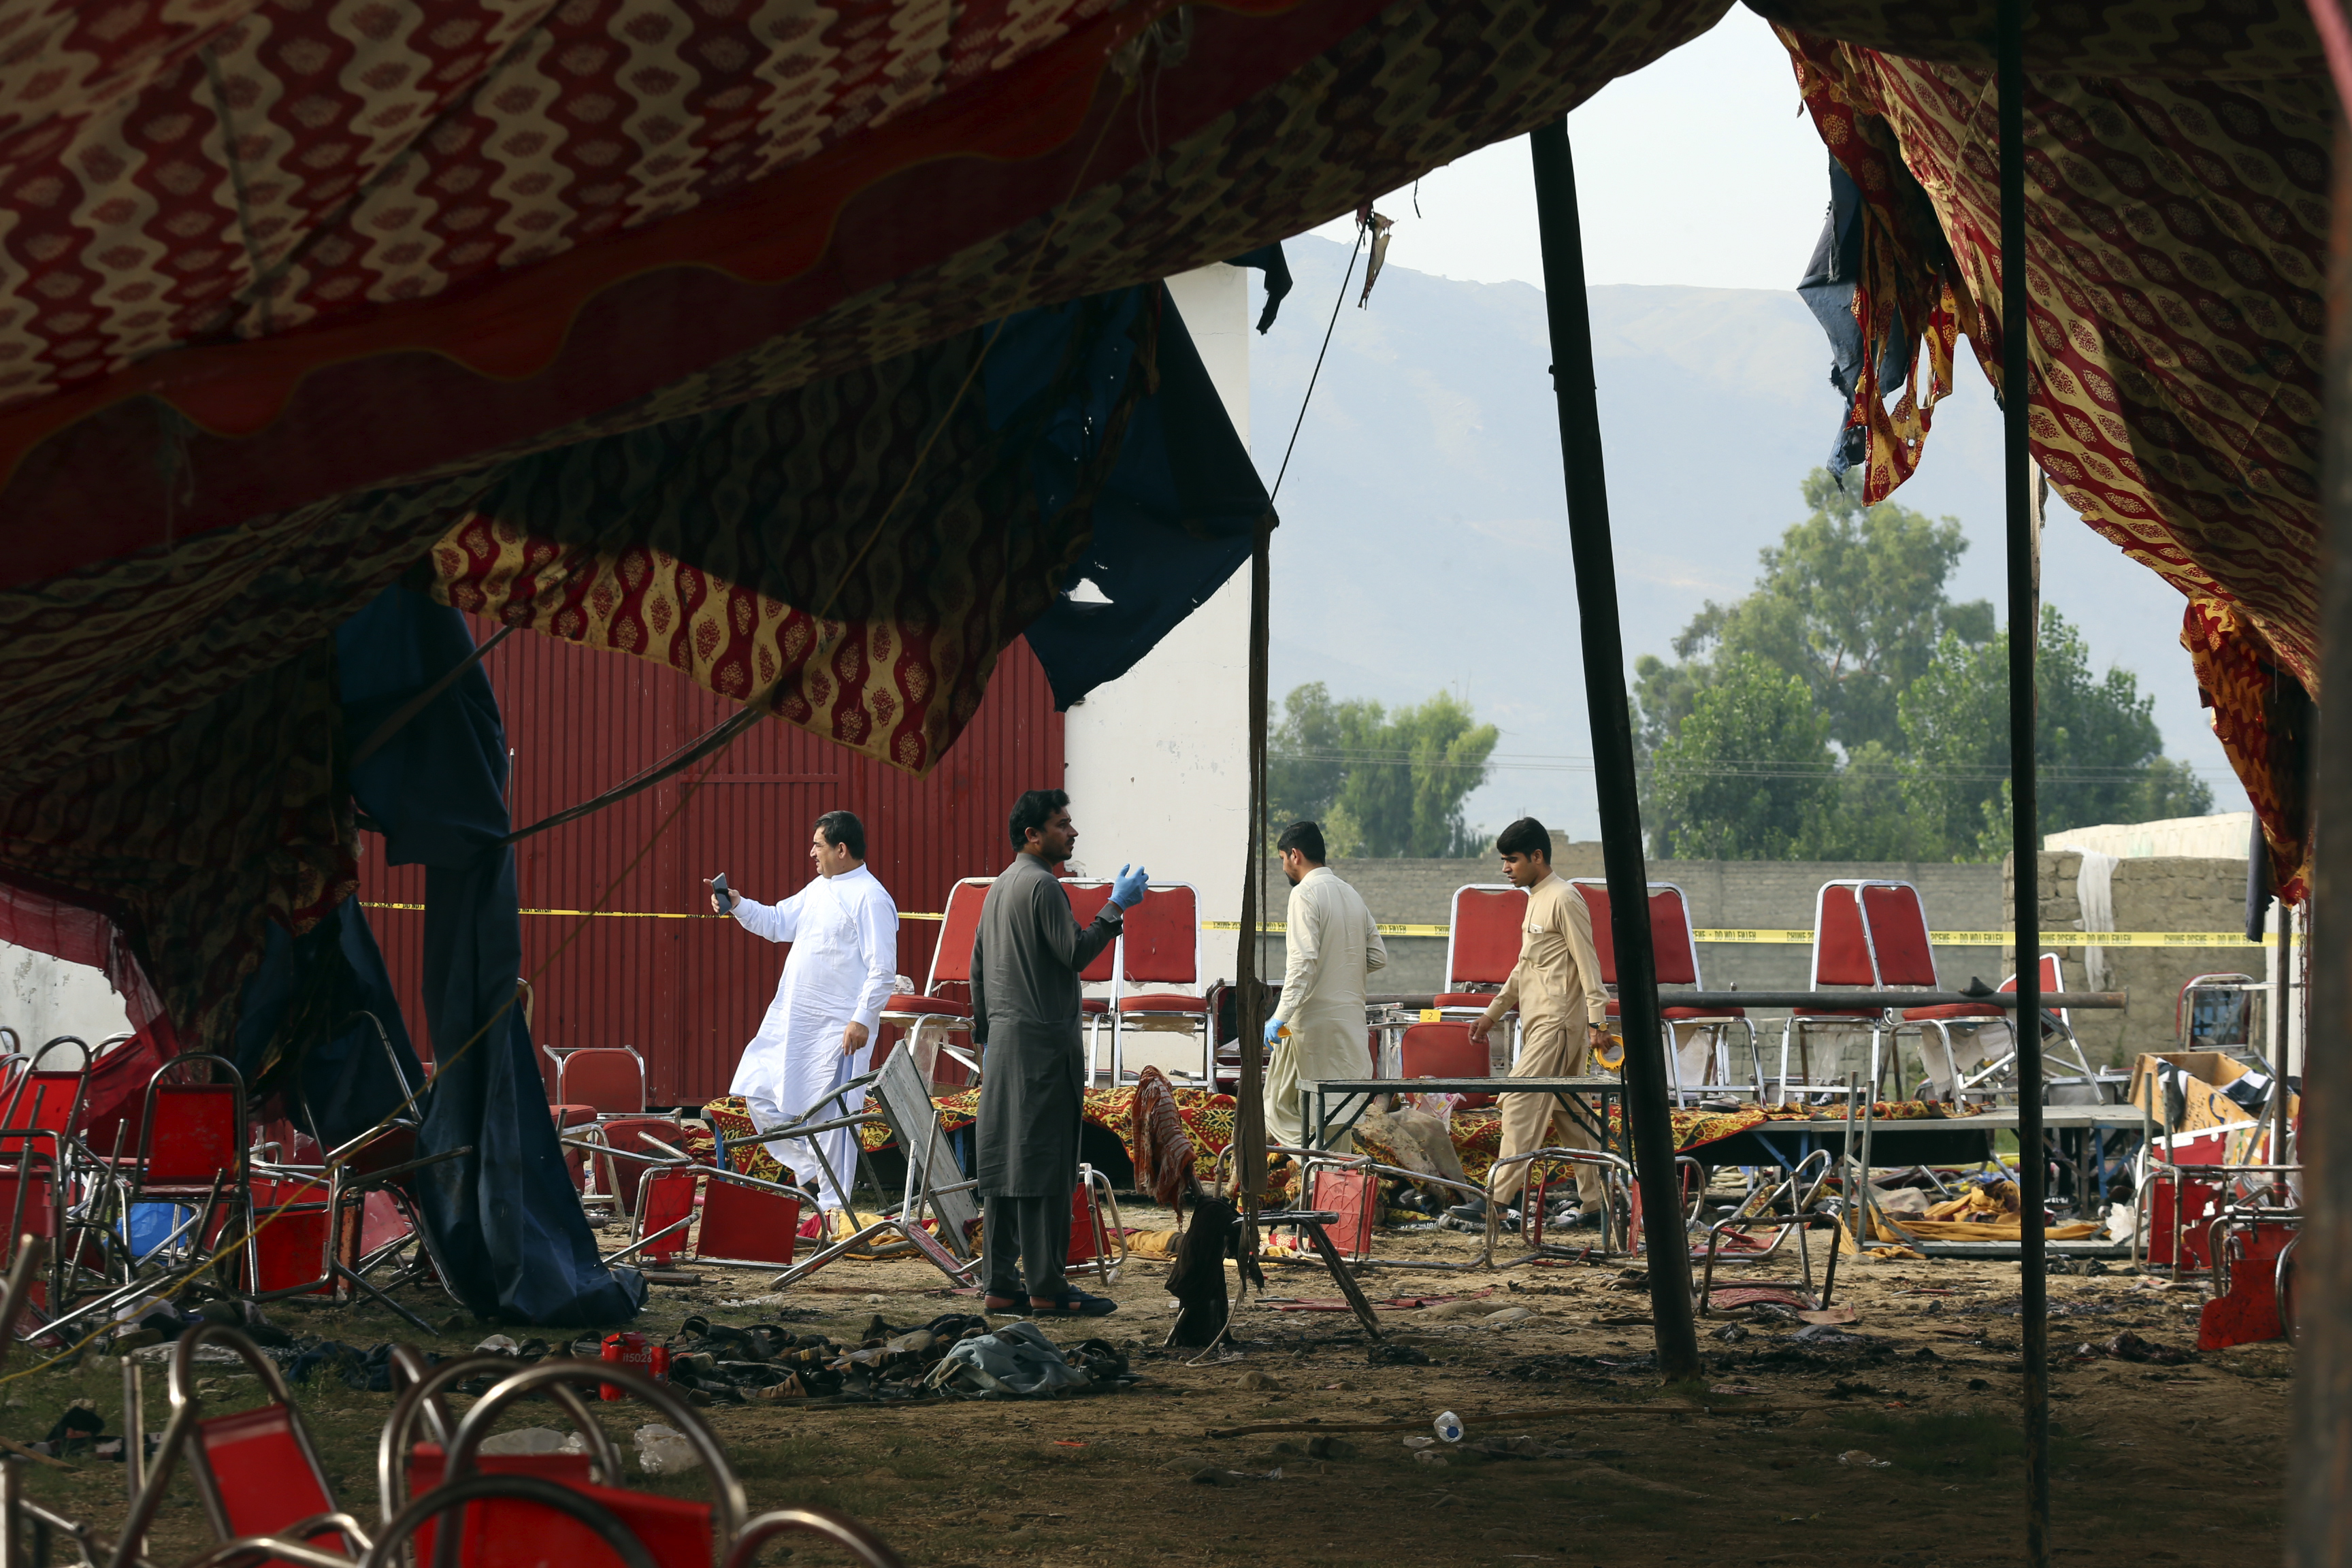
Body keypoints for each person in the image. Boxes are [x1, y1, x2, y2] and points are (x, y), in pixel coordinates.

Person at [970, 789, 1147, 1318]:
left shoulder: (1000, 888)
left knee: (1004, 1168)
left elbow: (978, 973)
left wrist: (989, 1039)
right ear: (1033, 835)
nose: (1072, 833)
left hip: (1003, 1046)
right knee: (1045, 1168)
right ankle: (1048, 1287)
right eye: (1062, 824)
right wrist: (1116, 907)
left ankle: (1001, 1284)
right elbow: (1075, 953)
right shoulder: (1044, 886)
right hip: (1043, 1049)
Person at [707, 810, 897, 1220]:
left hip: (840, 1028)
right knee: (758, 1093)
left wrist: (863, 1018)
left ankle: (832, 1213)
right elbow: (777, 922)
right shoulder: (819, 889)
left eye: (818, 845)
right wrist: (738, 904)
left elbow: (883, 969)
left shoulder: (871, 897)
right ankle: (811, 1172)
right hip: (792, 1018)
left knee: (835, 1122)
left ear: (840, 849)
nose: (811, 853)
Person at [1447, 817, 1612, 1230]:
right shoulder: (1536, 898)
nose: (1505, 869)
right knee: (1571, 1116)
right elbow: (1525, 967)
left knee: (1520, 1102)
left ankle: (1497, 1202)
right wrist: (1491, 1014)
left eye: (1512, 860)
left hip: (1558, 1025)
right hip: (1540, 1025)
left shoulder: (1564, 898)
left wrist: (1598, 1021)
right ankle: (1596, 1206)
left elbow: (1589, 964)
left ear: (1537, 856)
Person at [1262, 821, 1386, 1153]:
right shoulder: (1351, 893)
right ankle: (1334, 1191)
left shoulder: (1303, 894)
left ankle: (1317, 1168)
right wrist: (1340, 972)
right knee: (1337, 1118)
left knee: (1278, 1108)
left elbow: (1302, 963)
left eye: (1282, 858)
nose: (1283, 866)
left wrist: (1280, 1015)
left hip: (1312, 1026)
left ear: (1294, 855)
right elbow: (1377, 956)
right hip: (1350, 1026)